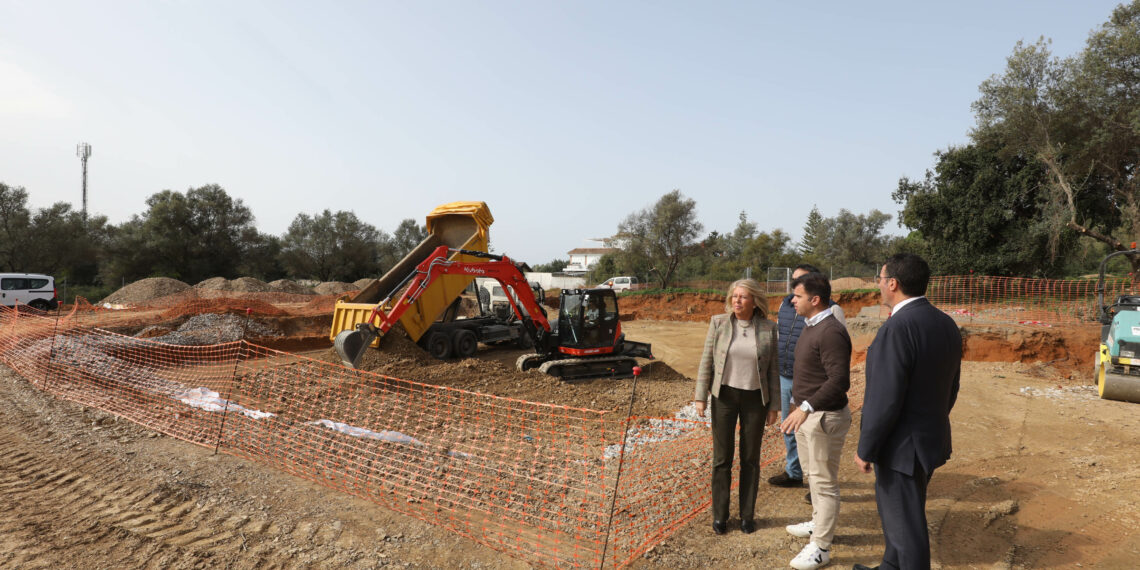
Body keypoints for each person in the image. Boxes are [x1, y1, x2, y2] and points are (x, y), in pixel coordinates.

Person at [854, 253, 962, 570]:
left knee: (907, 529)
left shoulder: (898, 328)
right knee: (902, 516)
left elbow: (884, 399)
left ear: (893, 283)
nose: (878, 285)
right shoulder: (945, 323)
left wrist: (866, 448)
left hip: (901, 448)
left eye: (880, 278)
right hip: (927, 440)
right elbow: (951, 387)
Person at [693, 278, 780, 535]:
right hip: (724, 397)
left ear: (754, 301)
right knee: (722, 459)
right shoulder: (719, 323)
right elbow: (706, 360)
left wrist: (774, 406)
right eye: (734, 296)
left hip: (756, 399)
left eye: (743, 297)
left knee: (751, 459)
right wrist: (700, 397)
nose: (737, 300)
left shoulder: (768, 328)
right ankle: (720, 516)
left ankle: (747, 516)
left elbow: (773, 370)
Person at [779, 272, 852, 570]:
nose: (792, 300)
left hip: (823, 417)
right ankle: (817, 524)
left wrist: (805, 407)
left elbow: (839, 381)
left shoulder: (831, 331)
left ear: (815, 299)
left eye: (797, 296)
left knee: (824, 483)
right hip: (808, 416)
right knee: (813, 478)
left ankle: (821, 547)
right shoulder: (811, 326)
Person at [770, 264, 846, 499]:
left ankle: (818, 486)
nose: (794, 292)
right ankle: (794, 472)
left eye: (799, 283)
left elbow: (836, 356)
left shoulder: (832, 313)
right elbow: (780, 336)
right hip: (786, 375)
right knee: (790, 428)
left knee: (816, 435)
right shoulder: (785, 304)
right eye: (793, 282)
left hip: (814, 383)